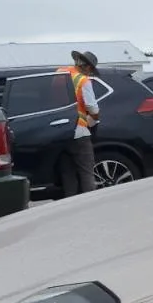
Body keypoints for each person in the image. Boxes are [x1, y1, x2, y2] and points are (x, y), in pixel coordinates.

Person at [58, 50, 101, 196]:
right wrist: (93, 119)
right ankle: (90, 203)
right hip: (79, 131)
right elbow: (92, 108)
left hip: (59, 130)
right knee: (87, 172)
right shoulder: (83, 80)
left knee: (68, 174)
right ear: (88, 67)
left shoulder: (59, 72)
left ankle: (70, 204)